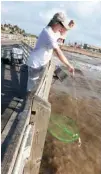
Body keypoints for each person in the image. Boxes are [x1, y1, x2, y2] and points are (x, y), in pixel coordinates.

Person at [26, 12, 75, 94]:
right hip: (35, 65)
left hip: (43, 62)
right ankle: (26, 101)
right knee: (32, 88)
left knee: (57, 74)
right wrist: (69, 65)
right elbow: (58, 51)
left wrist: (69, 27)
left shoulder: (54, 31)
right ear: (56, 23)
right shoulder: (48, 33)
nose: (62, 28)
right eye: (62, 26)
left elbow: (62, 33)